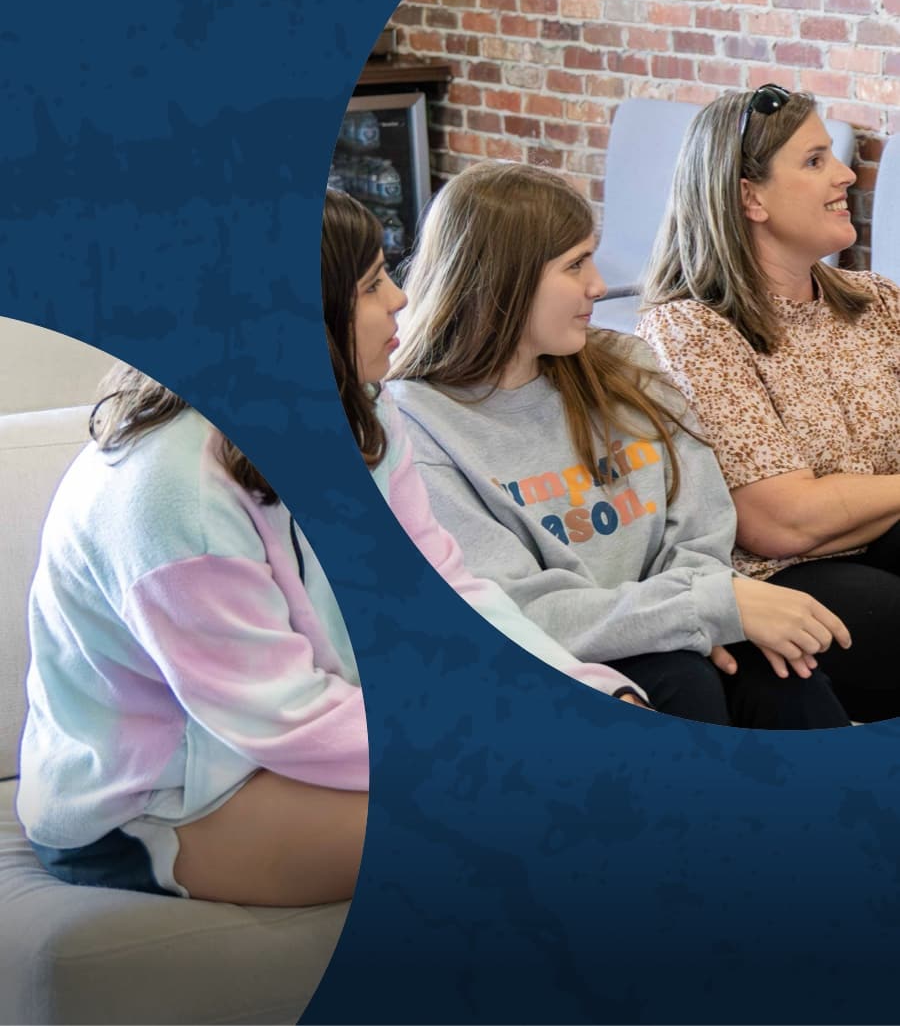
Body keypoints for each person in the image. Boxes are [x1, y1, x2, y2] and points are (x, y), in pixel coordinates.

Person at [383, 160, 854, 730]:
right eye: (575, 264)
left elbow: (701, 525)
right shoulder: (416, 421)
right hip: (561, 659)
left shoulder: (628, 364)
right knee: (684, 684)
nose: (599, 286)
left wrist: (699, 613)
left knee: (787, 675)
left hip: (677, 613)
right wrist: (696, 612)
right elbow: (515, 611)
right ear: (502, 280)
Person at [17, 367, 368, 905]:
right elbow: (279, 713)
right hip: (146, 804)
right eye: (370, 287)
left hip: (259, 746)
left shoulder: (355, 417)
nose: (400, 299)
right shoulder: (174, 482)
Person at [321, 186, 651, 707]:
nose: (399, 298)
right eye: (371, 285)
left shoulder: (373, 413)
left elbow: (461, 594)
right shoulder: (408, 417)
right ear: (504, 280)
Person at [638, 85, 900, 723]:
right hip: (773, 587)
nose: (845, 174)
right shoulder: (692, 330)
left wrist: (846, 503)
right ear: (748, 197)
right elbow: (779, 522)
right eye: (814, 161)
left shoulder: (878, 302)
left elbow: (814, 508)